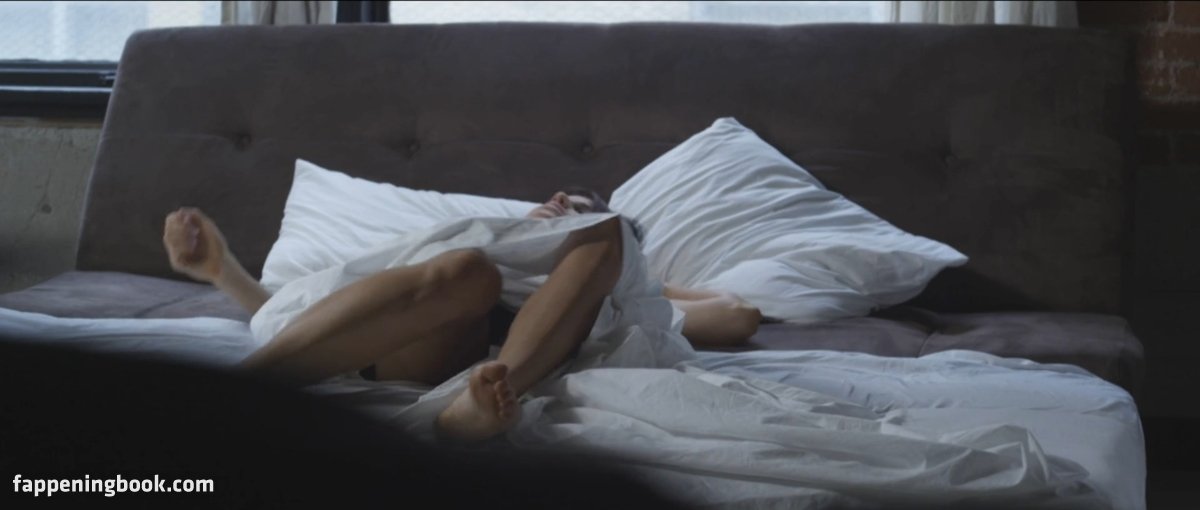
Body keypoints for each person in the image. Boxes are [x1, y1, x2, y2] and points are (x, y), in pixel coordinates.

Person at [162, 189, 761, 441]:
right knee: (470, 268)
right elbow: (309, 319)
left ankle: (486, 402)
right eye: (552, 201)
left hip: (478, 359)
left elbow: (736, 315)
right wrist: (222, 270)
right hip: (420, 321)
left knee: (601, 233)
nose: (560, 202)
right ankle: (229, 397)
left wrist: (633, 266)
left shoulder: (612, 273)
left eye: (574, 203)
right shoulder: (463, 246)